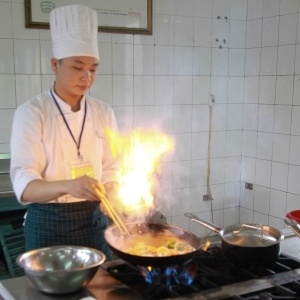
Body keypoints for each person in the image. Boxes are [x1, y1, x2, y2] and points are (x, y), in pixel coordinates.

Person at [9, 4, 119, 260]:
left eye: (93, 68)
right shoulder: (32, 113)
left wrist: (111, 190)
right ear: (55, 65)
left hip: (94, 223)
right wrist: (70, 186)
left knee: (99, 293)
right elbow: (24, 187)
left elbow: (113, 166)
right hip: (48, 226)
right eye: (77, 67)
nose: (87, 77)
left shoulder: (104, 112)